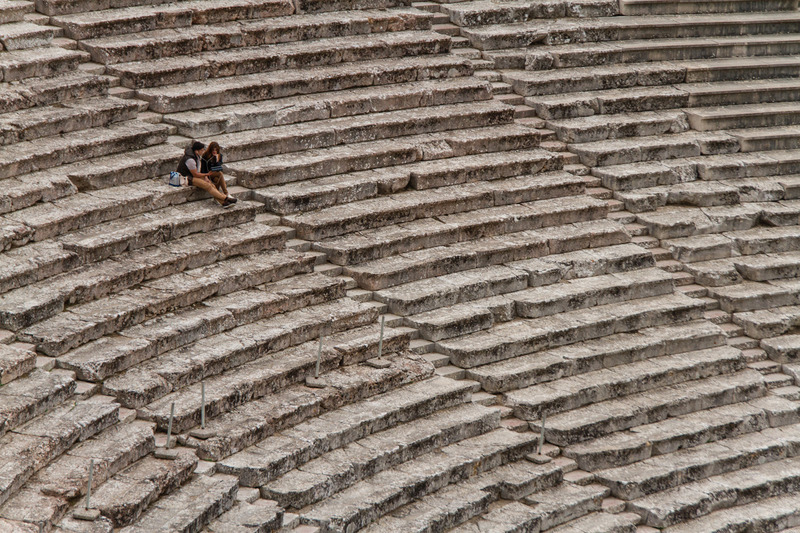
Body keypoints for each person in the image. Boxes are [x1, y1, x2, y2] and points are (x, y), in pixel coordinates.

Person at [176, 141, 237, 208]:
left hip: (193, 175)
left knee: (211, 184)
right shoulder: (190, 160)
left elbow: (198, 171)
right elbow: (195, 174)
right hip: (186, 178)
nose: (203, 151)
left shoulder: (196, 156)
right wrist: (206, 174)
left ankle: (224, 203)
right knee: (207, 185)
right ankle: (225, 198)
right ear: (197, 151)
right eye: (202, 150)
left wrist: (205, 177)